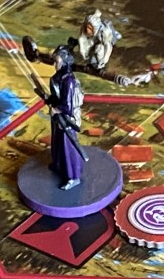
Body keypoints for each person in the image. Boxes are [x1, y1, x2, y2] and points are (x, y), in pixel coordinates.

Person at [23, 10, 153, 86]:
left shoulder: (100, 51)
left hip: (80, 65)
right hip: (75, 56)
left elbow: (104, 74)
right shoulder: (85, 37)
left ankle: (37, 56)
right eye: (87, 27)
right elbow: (81, 41)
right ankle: (36, 55)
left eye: (90, 28)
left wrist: (118, 78)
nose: (87, 30)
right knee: (58, 57)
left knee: (60, 64)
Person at [44, 46, 86, 190]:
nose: (54, 64)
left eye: (57, 61)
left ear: (65, 62)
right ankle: (58, 165)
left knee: (68, 147)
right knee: (57, 143)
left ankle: (73, 176)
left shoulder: (68, 81)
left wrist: (56, 109)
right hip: (57, 116)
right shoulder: (58, 77)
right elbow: (57, 96)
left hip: (67, 118)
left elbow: (67, 105)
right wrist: (50, 100)